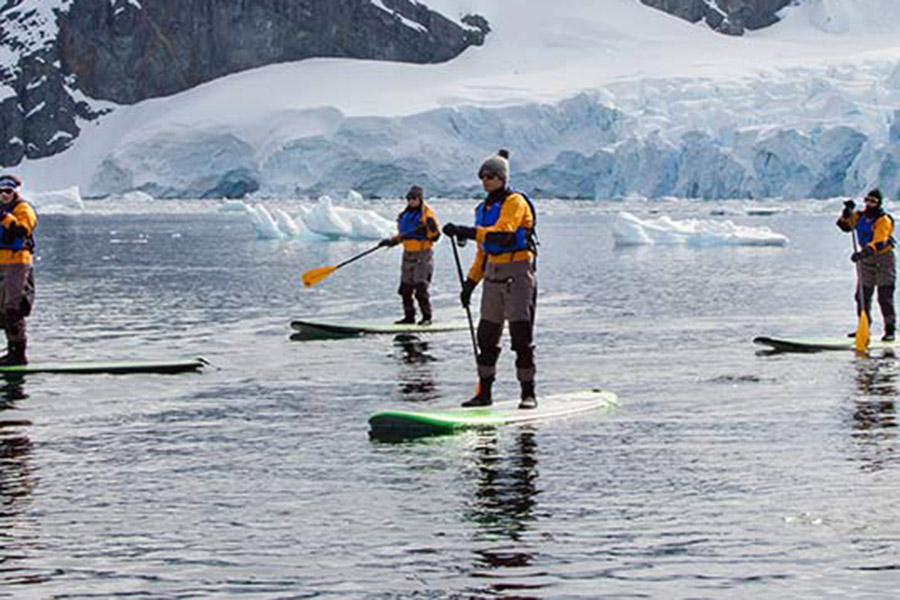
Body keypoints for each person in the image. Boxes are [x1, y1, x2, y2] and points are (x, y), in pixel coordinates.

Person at [442, 149, 538, 409]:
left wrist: (465, 231)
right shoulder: (482, 209)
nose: (485, 180)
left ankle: (528, 394)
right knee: (486, 336)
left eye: (491, 176)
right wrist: (470, 284)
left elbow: (503, 235)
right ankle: (484, 393)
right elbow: (482, 253)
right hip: (493, 274)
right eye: (482, 176)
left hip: (518, 272)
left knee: (520, 337)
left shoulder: (515, 202)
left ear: (502, 178)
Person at [837, 188, 896, 341]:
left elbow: (880, 242)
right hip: (866, 260)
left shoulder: (883, 220)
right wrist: (846, 213)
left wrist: (862, 254)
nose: (869, 204)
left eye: (873, 202)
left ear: (878, 203)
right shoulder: (860, 216)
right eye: (867, 200)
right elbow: (845, 226)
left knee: (884, 297)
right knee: (862, 296)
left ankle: (890, 331)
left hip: (884, 260)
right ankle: (864, 328)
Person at [379, 185, 441, 325]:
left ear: (420, 199)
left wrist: (428, 231)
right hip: (408, 255)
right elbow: (403, 236)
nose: (411, 201)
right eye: (409, 198)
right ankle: (409, 317)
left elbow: (436, 236)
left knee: (420, 288)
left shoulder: (427, 215)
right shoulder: (404, 215)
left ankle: (427, 318)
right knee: (405, 289)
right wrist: (391, 242)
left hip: (422, 255)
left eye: (414, 198)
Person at [0, 174, 37, 365]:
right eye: (0, 191)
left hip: (17, 262)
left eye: (8, 191)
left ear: (15, 192)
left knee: (13, 308)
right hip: (1, 261)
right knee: (1, 309)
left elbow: (23, 230)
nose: (4, 195)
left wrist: (5, 217)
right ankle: (10, 350)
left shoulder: (23, 209)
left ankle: (18, 354)